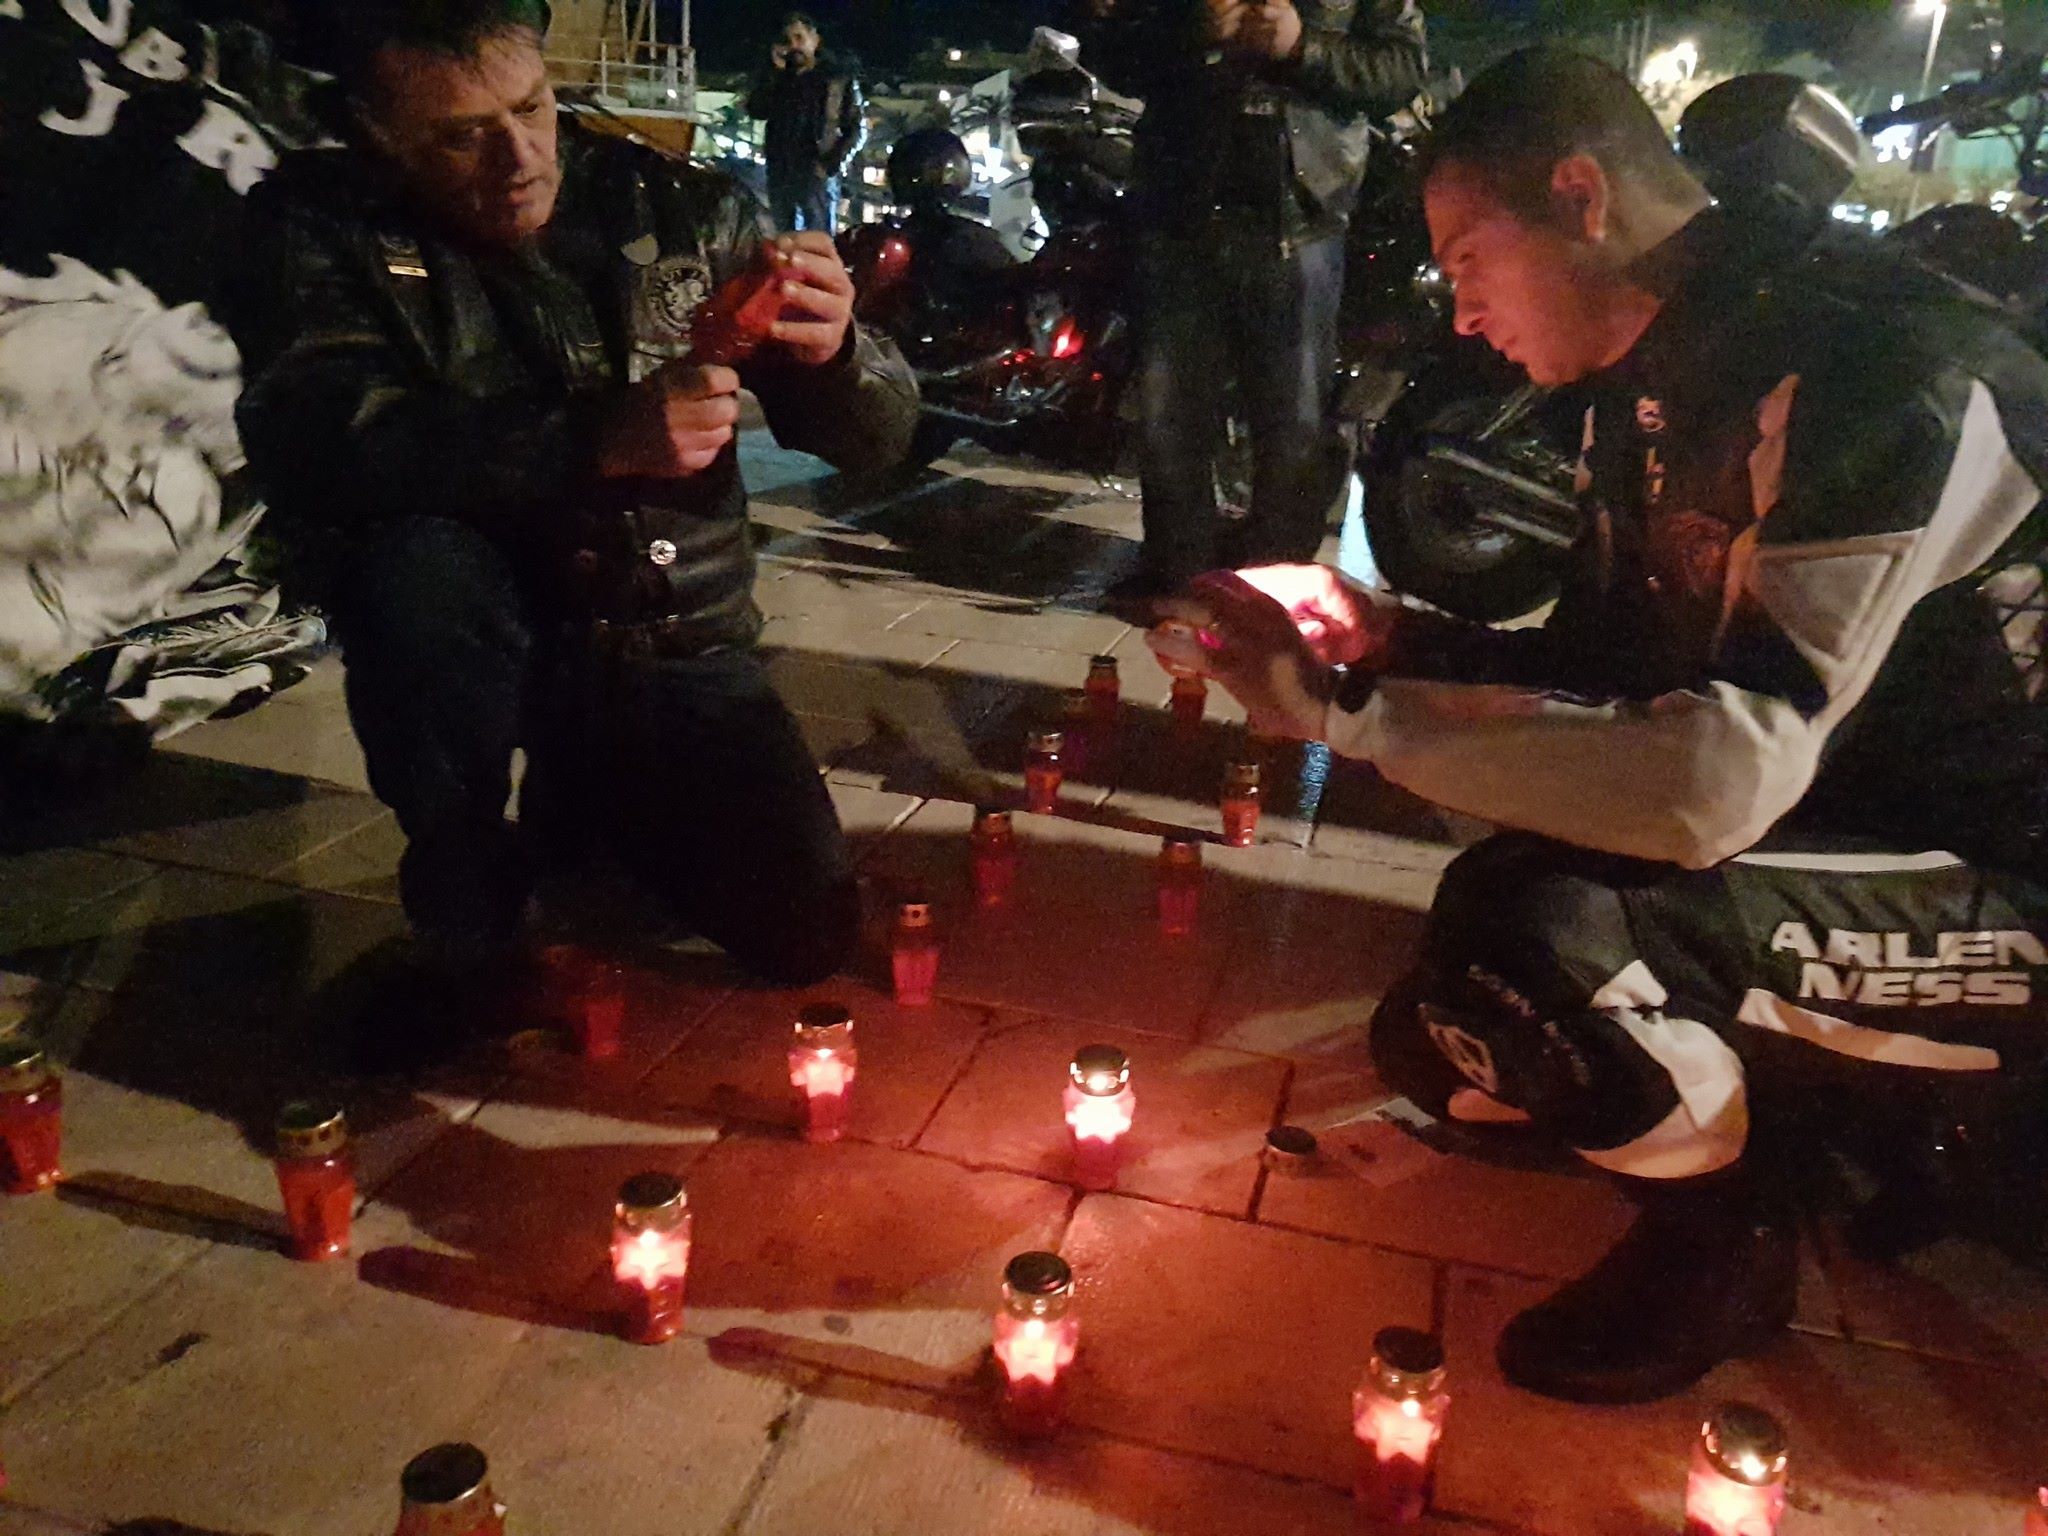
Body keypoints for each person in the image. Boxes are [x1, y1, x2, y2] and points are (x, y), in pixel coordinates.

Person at [1152, 48, 2048, 1404]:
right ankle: (1785, 1109)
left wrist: (1350, 713)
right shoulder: (1664, 366)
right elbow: (1611, 672)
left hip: (1997, 867)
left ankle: (1730, 1237)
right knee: (1446, 1031)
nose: (1464, 317)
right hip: (1854, 803)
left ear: (1580, 196)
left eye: (1467, 261)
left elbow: (1715, 781)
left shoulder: (1880, 368)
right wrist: (1392, 638)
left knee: (1544, 948)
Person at [228, 0, 918, 1020]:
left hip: (669, 629)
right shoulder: (324, 228)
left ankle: (595, 794)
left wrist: (839, 355)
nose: (517, 158)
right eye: (461, 135)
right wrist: (589, 439)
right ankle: (468, 885)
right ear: (380, 134)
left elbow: (877, 442)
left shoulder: (677, 205)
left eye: (531, 108)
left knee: (803, 933)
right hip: (479, 635)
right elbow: (319, 440)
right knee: (416, 573)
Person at [1081, 0, 1426, 602]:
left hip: (1305, 219)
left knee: (1295, 423)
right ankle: (1179, 580)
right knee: (1171, 418)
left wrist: (1301, 46)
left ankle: (1274, 597)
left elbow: (1400, 68)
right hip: (1181, 210)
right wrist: (1189, 30)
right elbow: (1110, 50)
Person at [746, 11, 867, 235]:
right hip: (781, 172)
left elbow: (857, 129)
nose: (794, 46)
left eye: (799, 38)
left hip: (815, 173)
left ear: (815, 40)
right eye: (788, 40)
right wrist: (774, 73)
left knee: (818, 240)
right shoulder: (781, 79)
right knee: (784, 239)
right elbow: (756, 110)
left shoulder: (837, 80)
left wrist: (830, 165)